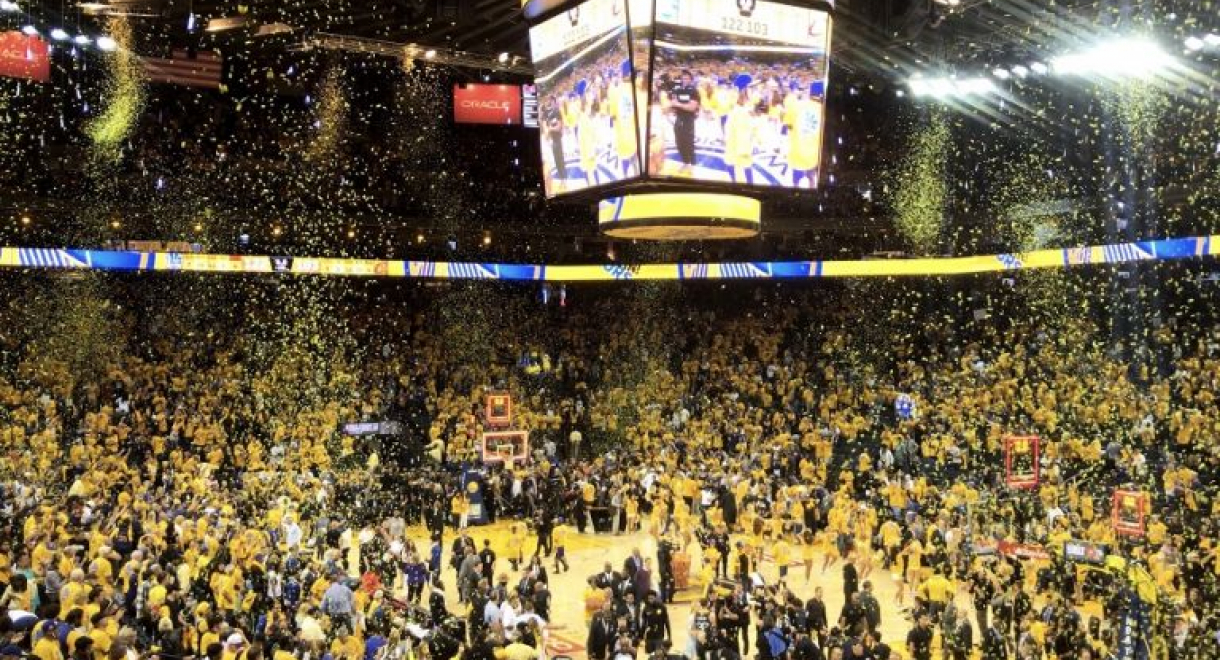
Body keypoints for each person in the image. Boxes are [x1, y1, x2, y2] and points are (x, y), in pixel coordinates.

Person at [666, 70, 700, 175]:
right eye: (683, 78)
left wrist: (678, 104)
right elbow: (673, 103)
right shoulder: (678, 90)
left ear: (691, 80)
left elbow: (692, 107)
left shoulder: (694, 91)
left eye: (687, 78)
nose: (685, 80)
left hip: (688, 119)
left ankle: (692, 164)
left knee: (688, 142)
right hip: (679, 118)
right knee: (679, 142)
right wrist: (670, 109)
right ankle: (685, 162)